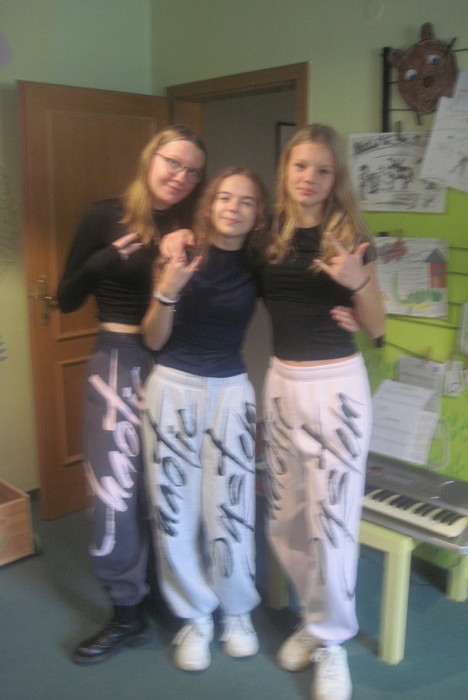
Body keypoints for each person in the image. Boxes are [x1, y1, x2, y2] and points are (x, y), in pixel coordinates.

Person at [56, 124, 207, 665]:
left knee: (170, 486)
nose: (181, 176)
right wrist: (101, 264)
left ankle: (171, 588)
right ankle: (126, 610)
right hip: (119, 360)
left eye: (193, 171)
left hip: (179, 364)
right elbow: (65, 298)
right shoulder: (105, 216)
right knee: (115, 491)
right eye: (173, 162)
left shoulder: (197, 225)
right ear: (151, 157)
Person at [259, 124, 385, 700]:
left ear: (337, 180)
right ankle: (315, 619)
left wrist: (359, 287)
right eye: (300, 166)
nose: (309, 178)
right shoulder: (268, 236)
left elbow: (377, 327)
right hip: (281, 384)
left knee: (330, 522)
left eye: (323, 170)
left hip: (336, 388)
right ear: (286, 170)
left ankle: (333, 642)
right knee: (285, 518)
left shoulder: (351, 238)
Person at [141, 167, 269, 672]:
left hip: (230, 393)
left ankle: (236, 612)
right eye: (225, 197)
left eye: (246, 201)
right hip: (172, 386)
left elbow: (299, 298)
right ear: (209, 204)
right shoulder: (180, 252)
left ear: (258, 214)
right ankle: (195, 616)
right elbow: (153, 338)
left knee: (232, 510)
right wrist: (167, 289)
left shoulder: (259, 263)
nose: (234, 208)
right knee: (174, 510)